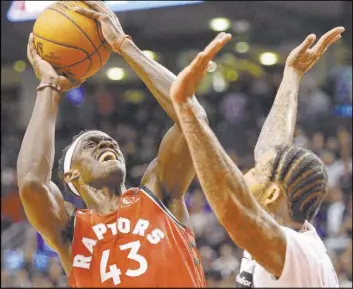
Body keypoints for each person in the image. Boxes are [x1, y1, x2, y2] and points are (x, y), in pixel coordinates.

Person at [17, 2, 206, 287]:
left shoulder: (158, 194)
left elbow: (193, 118)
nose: (106, 143)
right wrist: (50, 86)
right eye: (91, 144)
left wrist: (123, 45)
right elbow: (32, 182)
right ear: (72, 176)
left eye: (109, 142)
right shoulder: (71, 229)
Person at [169, 27, 345, 287]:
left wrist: (186, 111)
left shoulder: (296, 251)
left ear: (273, 195)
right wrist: (291, 76)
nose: (244, 175)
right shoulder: (296, 237)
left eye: (255, 172)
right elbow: (271, 151)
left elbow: (233, 208)